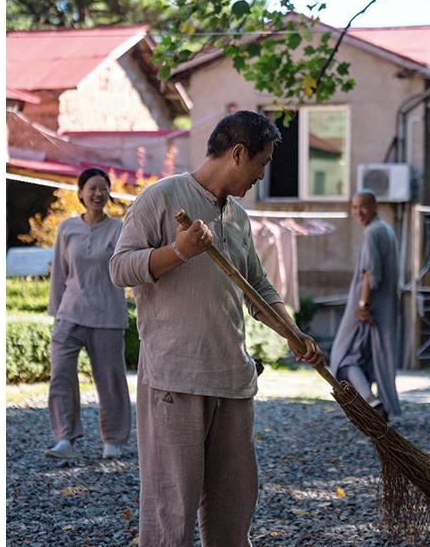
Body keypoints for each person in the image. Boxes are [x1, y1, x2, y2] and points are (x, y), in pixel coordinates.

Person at [109, 111, 323, 547]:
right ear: (238, 153)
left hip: (232, 380)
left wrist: (293, 333)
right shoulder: (160, 198)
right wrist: (179, 251)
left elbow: (258, 288)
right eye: (262, 163)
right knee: (171, 513)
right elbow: (119, 269)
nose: (262, 175)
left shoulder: (238, 217)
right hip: (175, 378)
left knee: (233, 511)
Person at [44, 168, 131, 460]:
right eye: (92, 188)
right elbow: (59, 272)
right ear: (81, 193)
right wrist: (56, 312)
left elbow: (126, 268)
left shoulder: (119, 229)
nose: (98, 193)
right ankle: (64, 438)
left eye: (103, 188)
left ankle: (113, 440)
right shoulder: (67, 228)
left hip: (108, 315)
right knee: (60, 374)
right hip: (70, 313)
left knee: (110, 380)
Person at [328, 191, 401, 420]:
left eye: (363, 206)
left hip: (368, 307)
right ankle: (378, 405)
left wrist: (362, 305)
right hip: (384, 308)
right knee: (372, 358)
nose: (358, 212)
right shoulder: (386, 230)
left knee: (342, 357)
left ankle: (371, 401)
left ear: (375, 207)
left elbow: (371, 272)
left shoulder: (372, 232)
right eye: (354, 207)